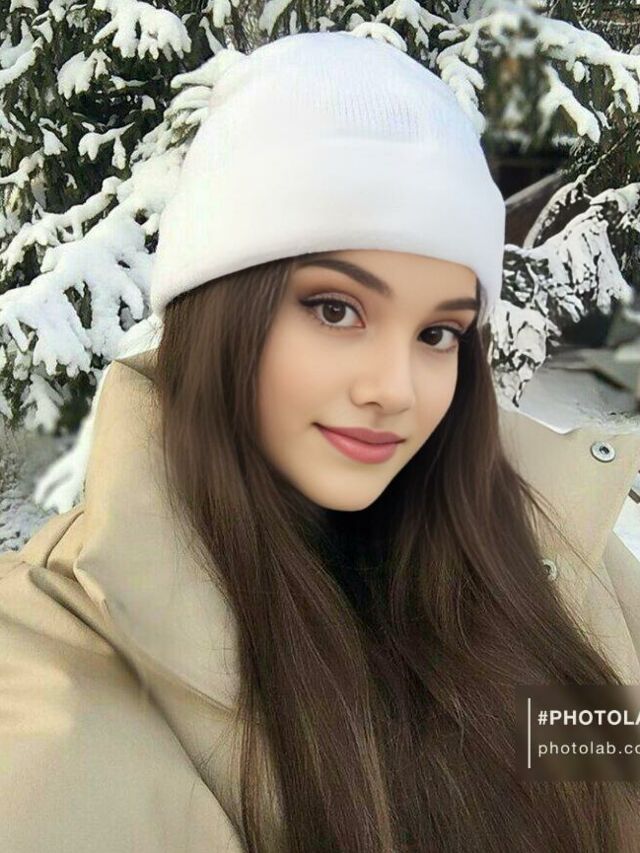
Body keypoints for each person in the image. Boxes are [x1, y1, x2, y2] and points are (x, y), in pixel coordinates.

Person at [1, 30, 640, 853]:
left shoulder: (559, 556)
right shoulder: (52, 659)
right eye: (336, 309)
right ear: (219, 309)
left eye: (438, 333)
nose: (395, 388)